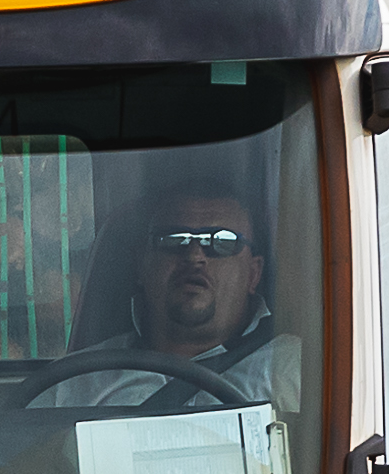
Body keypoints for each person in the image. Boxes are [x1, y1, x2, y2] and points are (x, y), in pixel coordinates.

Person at [28, 174, 289, 412]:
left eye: (221, 242)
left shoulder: (295, 372)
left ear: (254, 274)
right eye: (174, 239)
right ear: (141, 265)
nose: (195, 256)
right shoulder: (73, 383)